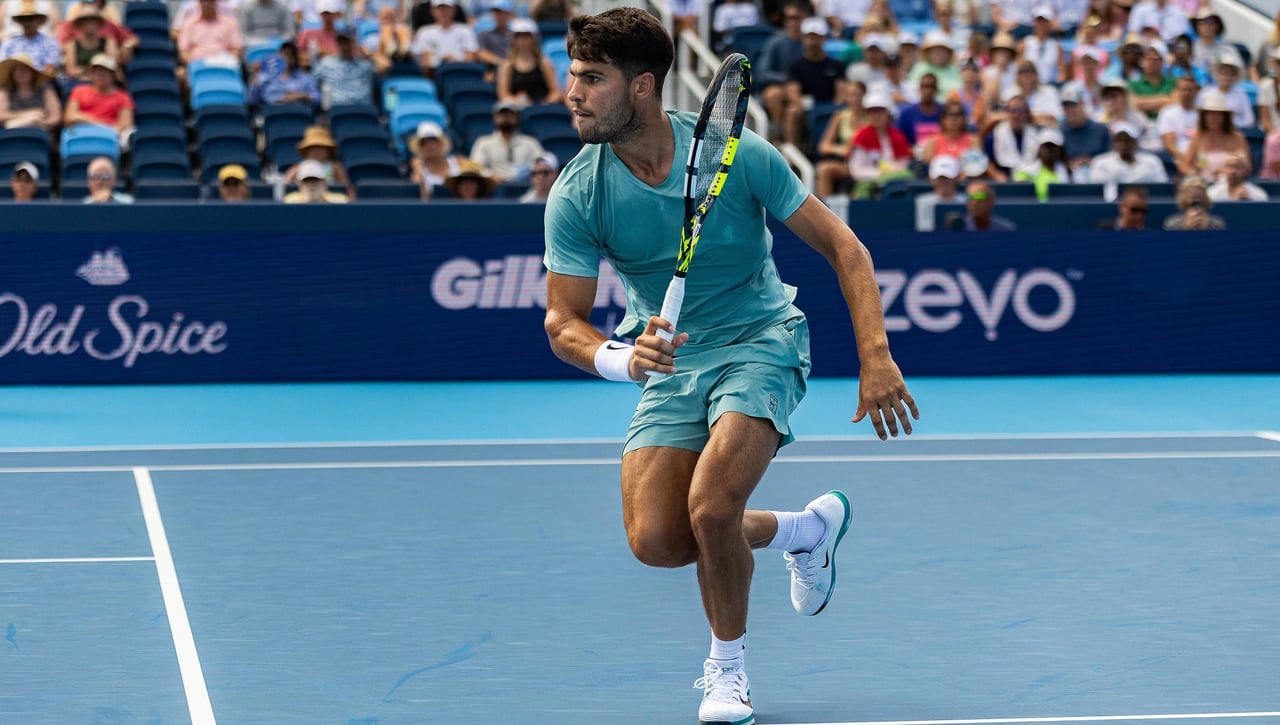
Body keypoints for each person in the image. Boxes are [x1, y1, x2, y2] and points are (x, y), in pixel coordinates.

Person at [542, 9, 916, 725]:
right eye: (573, 76)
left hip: (761, 340)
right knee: (659, 541)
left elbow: (847, 249)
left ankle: (727, 673)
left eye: (592, 78)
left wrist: (876, 356)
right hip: (670, 365)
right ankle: (803, 529)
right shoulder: (577, 192)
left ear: (643, 87)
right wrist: (622, 357)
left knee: (713, 507)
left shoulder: (736, 156)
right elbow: (563, 324)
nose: (573, 92)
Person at [782, 17, 845, 147]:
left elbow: (841, 92)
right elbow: (793, 93)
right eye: (809, 37)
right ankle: (791, 154)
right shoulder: (796, 65)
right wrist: (806, 112)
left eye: (816, 37)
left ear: (824, 38)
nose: (812, 42)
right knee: (793, 112)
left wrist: (834, 110)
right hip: (806, 109)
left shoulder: (836, 65)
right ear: (803, 39)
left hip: (830, 108)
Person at [848, 88, 913, 198]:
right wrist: (881, 173)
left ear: (888, 113)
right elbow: (856, 170)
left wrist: (891, 171)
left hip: (895, 184)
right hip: (871, 186)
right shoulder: (862, 136)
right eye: (871, 111)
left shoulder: (898, 136)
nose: (875, 115)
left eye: (879, 111)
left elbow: (903, 165)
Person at [1178, 89, 1248, 182]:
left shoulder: (1237, 138)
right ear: (1204, 117)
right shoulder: (1198, 138)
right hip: (1204, 185)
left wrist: (1228, 172)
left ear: (1224, 117)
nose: (1213, 117)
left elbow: (1247, 167)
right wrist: (1193, 174)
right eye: (1209, 114)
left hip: (1230, 184)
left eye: (1217, 114)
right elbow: (1185, 165)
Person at [63, 53, 133, 146]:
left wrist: (82, 118)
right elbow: (70, 118)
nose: (100, 75)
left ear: (112, 75)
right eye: (96, 71)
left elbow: (125, 127)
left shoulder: (123, 97)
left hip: (108, 140)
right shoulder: (79, 91)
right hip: (81, 137)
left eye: (105, 71)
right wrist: (105, 126)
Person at [813, 79, 866, 199]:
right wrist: (841, 149)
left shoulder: (872, 116)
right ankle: (825, 212)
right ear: (846, 97)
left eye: (858, 95)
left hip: (869, 162)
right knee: (824, 169)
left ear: (864, 95)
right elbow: (823, 146)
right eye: (851, 95)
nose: (855, 98)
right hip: (848, 164)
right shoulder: (840, 116)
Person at [469, 99, 544, 183]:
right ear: (495, 118)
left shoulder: (530, 142)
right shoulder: (483, 142)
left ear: (517, 118)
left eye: (510, 115)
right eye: (502, 115)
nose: (506, 118)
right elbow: (476, 167)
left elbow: (542, 162)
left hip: (525, 186)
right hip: (494, 188)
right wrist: (490, 175)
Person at [495, 17, 560, 106]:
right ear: (513, 39)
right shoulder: (507, 65)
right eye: (518, 36)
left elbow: (555, 92)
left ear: (533, 38)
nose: (522, 40)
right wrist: (520, 103)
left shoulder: (544, 63)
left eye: (526, 36)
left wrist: (544, 104)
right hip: (517, 111)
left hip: (541, 109)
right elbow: (503, 95)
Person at [284, 125, 355, 196]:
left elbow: (348, 192)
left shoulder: (336, 168)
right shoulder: (296, 169)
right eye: (312, 148)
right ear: (306, 150)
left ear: (328, 150)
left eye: (321, 148)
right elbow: (284, 190)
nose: (316, 151)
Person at [1087, 121, 1167, 183]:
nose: (1123, 144)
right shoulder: (1100, 163)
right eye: (1119, 140)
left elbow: (1161, 189)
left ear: (1135, 142)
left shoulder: (1152, 161)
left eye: (1127, 140)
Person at [313, 28, 374, 109]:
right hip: (337, 110)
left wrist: (370, 55)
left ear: (353, 43)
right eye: (341, 42)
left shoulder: (365, 64)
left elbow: (385, 66)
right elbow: (312, 82)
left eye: (347, 42)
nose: (344, 46)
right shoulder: (326, 63)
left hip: (362, 109)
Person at [410, 0, 476, 72]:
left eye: (447, 8)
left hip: (460, 73)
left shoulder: (465, 31)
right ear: (432, 10)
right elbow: (422, 62)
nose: (443, 12)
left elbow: (470, 58)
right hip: (434, 74)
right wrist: (437, 62)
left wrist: (455, 62)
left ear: (454, 10)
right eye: (439, 8)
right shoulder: (424, 32)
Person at [249, 40, 320, 107]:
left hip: (296, 111)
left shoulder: (305, 78)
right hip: (272, 113)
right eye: (283, 54)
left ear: (295, 59)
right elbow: (252, 100)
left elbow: (317, 99)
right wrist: (255, 74)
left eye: (289, 55)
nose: (285, 58)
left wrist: (302, 96)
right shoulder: (265, 75)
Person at [0, 53, 59, 132]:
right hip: (11, 135)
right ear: (12, 74)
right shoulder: (6, 91)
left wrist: (41, 123)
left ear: (32, 73)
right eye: (17, 70)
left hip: (40, 134)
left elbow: (56, 117)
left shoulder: (46, 90)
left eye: (24, 69)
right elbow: (1, 115)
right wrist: (31, 114)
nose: (21, 72)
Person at [1, 1, 60, 77]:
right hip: (14, 84)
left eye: (31, 19)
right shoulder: (9, 43)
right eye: (23, 19)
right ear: (20, 22)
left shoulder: (50, 43)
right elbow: (3, 67)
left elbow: (50, 70)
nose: (27, 23)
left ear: (39, 20)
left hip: (41, 83)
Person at [177, 0, 243, 66]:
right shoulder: (189, 23)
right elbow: (183, 50)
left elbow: (236, 48)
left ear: (216, 2)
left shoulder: (229, 23)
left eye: (211, 1)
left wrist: (227, 61)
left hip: (224, 65)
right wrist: (194, 63)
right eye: (204, 1)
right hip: (197, 65)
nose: (207, 3)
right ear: (199, 2)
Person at [407, 120, 461, 198]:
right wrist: (418, 169)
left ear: (440, 144)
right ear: (421, 148)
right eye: (424, 143)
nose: (429, 146)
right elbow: (418, 197)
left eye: (433, 141)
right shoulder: (419, 170)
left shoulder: (459, 163)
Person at [61, 7, 116, 80]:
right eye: (85, 21)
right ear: (80, 25)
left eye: (93, 21)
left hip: (104, 81)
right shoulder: (72, 44)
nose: (89, 24)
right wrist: (89, 73)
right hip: (79, 80)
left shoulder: (108, 42)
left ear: (98, 24)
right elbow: (71, 70)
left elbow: (112, 65)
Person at [915, 153, 963, 231]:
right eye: (940, 178)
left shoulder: (967, 201)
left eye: (948, 177)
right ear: (931, 178)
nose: (943, 182)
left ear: (957, 178)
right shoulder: (921, 202)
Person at [1156, 74, 1198, 157]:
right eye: (1183, 90)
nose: (1186, 93)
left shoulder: (1202, 115)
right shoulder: (1167, 113)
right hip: (1174, 160)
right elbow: (1169, 145)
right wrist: (1185, 160)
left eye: (1190, 90)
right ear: (1177, 91)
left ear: (1196, 92)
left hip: (1198, 159)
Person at [367, 4, 413, 73]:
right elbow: (370, 55)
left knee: (401, 29)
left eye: (390, 15)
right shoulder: (371, 38)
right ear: (378, 18)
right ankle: (392, 50)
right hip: (383, 65)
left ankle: (401, 49)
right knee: (386, 30)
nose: (386, 17)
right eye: (383, 15)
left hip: (403, 60)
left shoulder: (400, 31)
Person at [283, 158, 350, 202]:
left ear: (324, 182)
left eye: (315, 179)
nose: (311, 183)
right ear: (300, 184)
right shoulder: (289, 202)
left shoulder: (340, 201)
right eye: (307, 180)